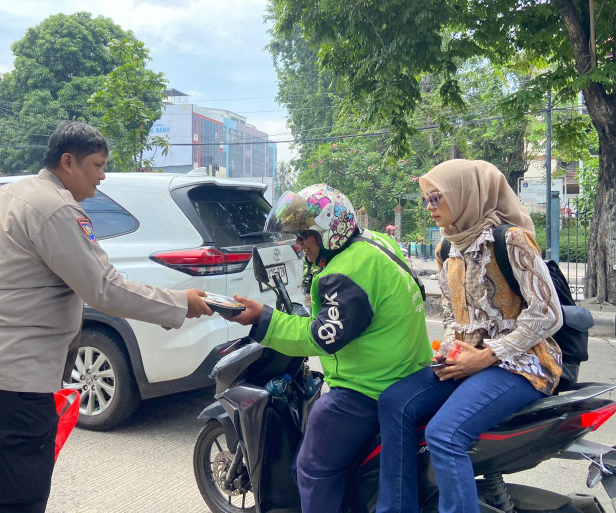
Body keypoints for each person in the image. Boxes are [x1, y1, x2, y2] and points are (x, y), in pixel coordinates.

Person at [0, 121, 213, 513]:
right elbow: (104, 288)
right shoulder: (59, 209)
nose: (102, 176)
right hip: (9, 382)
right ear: (68, 162)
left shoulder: (5, 194)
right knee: (19, 500)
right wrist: (179, 303)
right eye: (97, 165)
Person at [228, 184, 431, 513]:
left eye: (303, 236)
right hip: (410, 371)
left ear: (325, 232)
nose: (298, 244)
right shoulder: (380, 243)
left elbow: (318, 337)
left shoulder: (345, 273)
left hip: (368, 388)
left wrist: (262, 319)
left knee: (311, 467)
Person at [376, 159, 564, 513]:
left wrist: (488, 355)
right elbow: (454, 317)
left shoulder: (509, 240)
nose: (431, 208)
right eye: (426, 200)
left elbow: (549, 314)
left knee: (445, 435)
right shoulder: (447, 248)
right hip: (471, 360)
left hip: (521, 363)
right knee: (394, 403)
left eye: (437, 199)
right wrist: (450, 350)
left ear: (466, 196)